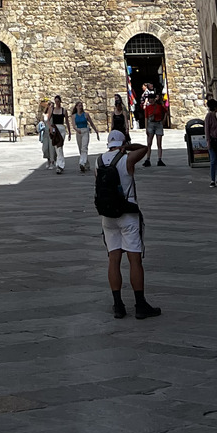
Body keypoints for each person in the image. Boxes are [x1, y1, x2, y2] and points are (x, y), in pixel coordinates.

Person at [96, 128, 160, 319]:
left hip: (107, 216)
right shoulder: (127, 159)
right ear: (122, 143)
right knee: (134, 260)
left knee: (113, 259)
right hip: (128, 212)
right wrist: (127, 147)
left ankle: (118, 305)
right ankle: (140, 304)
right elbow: (144, 148)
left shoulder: (99, 161)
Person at [142, 89, 166, 166]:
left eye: (151, 99)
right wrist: (146, 128)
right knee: (149, 143)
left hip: (158, 124)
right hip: (151, 124)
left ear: (154, 99)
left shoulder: (159, 106)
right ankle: (148, 159)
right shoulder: (148, 108)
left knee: (159, 143)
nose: (150, 100)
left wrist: (163, 121)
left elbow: (166, 112)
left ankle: (159, 159)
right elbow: (146, 118)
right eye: (149, 99)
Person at [48, 94, 69, 173]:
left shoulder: (64, 110)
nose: (57, 103)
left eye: (58, 101)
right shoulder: (52, 110)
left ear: (60, 101)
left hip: (62, 129)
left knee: (60, 146)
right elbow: (47, 119)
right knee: (57, 147)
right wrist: (50, 127)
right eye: (55, 101)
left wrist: (69, 132)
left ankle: (60, 165)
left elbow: (66, 121)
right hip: (55, 129)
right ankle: (60, 165)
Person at [72, 101, 92, 172]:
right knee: (80, 148)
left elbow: (91, 123)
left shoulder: (86, 114)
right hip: (79, 132)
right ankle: (87, 164)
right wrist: (77, 130)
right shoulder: (74, 116)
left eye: (81, 106)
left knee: (84, 147)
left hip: (85, 131)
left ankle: (82, 163)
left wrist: (96, 132)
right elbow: (74, 126)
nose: (80, 107)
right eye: (79, 106)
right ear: (76, 107)